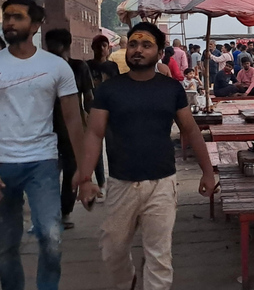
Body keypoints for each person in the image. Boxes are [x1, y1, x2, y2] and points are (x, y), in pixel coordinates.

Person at [76, 21, 216, 290]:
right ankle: (128, 282)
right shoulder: (109, 90)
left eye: (146, 45)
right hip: (120, 183)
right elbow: (94, 134)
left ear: (160, 52)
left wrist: (208, 173)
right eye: (134, 44)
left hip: (161, 183)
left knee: (159, 256)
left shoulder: (171, 89)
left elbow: (191, 130)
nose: (138, 50)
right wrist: (85, 178)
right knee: (112, 250)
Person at [0, 0, 87, 290]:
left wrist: (84, 171)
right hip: (2, 164)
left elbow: (74, 120)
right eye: (6, 17)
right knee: (5, 246)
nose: (9, 22)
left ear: (35, 25)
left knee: (51, 237)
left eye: (17, 17)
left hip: (42, 162)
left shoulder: (56, 68)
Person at [45, 28, 95, 230]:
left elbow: (89, 97)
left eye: (53, 46)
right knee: (49, 172)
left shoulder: (77, 67)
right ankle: (53, 212)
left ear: (64, 45)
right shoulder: (45, 68)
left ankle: (64, 211)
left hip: (68, 128)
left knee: (70, 169)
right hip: (48, 128)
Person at [87, 34, 117, 199]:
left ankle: (113, 182)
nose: (101, 49)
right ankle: (101, 184)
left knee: (112, 148)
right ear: (93, 48)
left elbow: (118, 89)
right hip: (92, 112)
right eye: (98, 46)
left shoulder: (112, 67)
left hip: (111, 112)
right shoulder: (87, 66)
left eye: (104, 45)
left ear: (108, 48)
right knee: (96, 150)